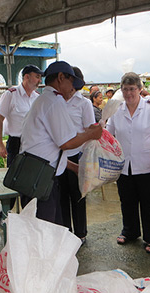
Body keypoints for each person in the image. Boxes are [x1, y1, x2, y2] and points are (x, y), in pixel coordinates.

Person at [20, 61, 102, 224]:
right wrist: (92, 133)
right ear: (60, 78)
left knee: (47, 224)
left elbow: (51, 146)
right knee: (45, 228)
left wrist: (74, 167)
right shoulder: (54, 101)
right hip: (41, 176)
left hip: (34, 172)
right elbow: (67, 143)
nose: (72, 89)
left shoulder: (44, 100)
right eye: (71, 83)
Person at [107, 72, 150, 253]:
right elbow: (109, 134)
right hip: (124, 166)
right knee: (127, 201)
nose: (129, 93)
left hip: (149, 165)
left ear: (140, 89)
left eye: (132, 89)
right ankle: (130, 231)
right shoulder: (117, 110)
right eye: (125, 89)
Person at [58, 67, 95, 244]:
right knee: (61, 195)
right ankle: (66, 232)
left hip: (76, 155)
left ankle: (80, 234)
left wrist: (85, 157)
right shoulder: (55, 101)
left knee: (78, 196)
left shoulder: (84, 103)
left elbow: (90, 131)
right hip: (57, 156)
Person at [0, 64, 43, 166]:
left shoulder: (37, 97)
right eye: (37, 77)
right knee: (14, 175)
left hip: (33, 142)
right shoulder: (11, 94)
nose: (40, 81)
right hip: (16, 142)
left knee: (32, 174)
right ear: (27, 77)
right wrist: (0, 145)